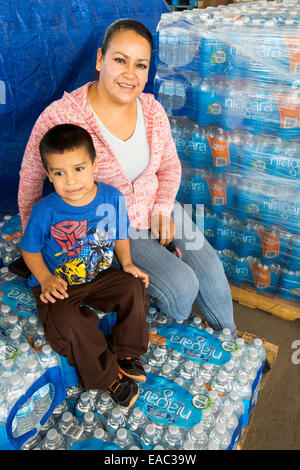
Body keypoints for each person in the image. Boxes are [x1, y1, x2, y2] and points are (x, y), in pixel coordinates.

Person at [18, 18, 236, 335]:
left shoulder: (151, 110)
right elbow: (28, 182)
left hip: (157, 205)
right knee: (181, 287)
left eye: (141, 64)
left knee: (211, 270)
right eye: (120, 60)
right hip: (109, 222)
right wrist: (34, 249)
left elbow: (170, 167)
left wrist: (162, 208)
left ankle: (228, 337)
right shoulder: (63, 117)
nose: (130, 74)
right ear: (99, 59)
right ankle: (185, 328)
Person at [20, 123, 149, 408]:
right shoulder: (45, 210)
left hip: (98, 275)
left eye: (79, 169)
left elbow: (120, 233)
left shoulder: (112, 197)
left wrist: (126, 263)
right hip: (61, 283)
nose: (71, 181)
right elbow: (28, 250)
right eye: (59, 173)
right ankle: (109, 377)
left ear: (95, 165)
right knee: (67, 322)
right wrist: (44, 278)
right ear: (49, 175)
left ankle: (127, 352)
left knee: (133, 287)